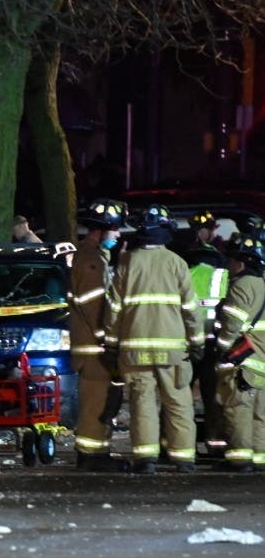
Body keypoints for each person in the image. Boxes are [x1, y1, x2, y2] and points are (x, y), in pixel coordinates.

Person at [103, 203, 202, 474]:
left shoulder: (127, 263)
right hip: (173, 352)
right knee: (178, 403)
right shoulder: (177, 264)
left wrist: (111, 344)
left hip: (135, 352)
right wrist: (197, 342)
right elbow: (191, 310)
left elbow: (114, 310)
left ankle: (146, 459)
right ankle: (184, 459)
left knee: (141, 403)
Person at [68, 198, 130, 472]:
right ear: (100, 231)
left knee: (103, 399)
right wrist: (108, 339)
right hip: (94, 348)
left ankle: (96, 451)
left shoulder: (94, 257)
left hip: (92, 346)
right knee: (96, 400)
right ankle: (91, 455)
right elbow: (95, 308)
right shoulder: (92, 262)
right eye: (114, 230)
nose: (117, 235)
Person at [213, 233, 265, 472]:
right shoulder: (263, 284)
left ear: (241, 263)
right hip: (262, 359)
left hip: (244, 360)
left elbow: (232, 324)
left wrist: (222, 349)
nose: (229, 265)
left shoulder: (241, 286)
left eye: (231, 260)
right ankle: (260, 457)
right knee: (260, 414)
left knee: (239, 409)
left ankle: (240, 459)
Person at [184, 219, 229, 456]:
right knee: (214, 398)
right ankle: (216, 446)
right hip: (214, 345)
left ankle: (176, 445)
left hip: (187, 345)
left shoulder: (183, 275)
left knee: (181, 397)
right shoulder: (222, 276)